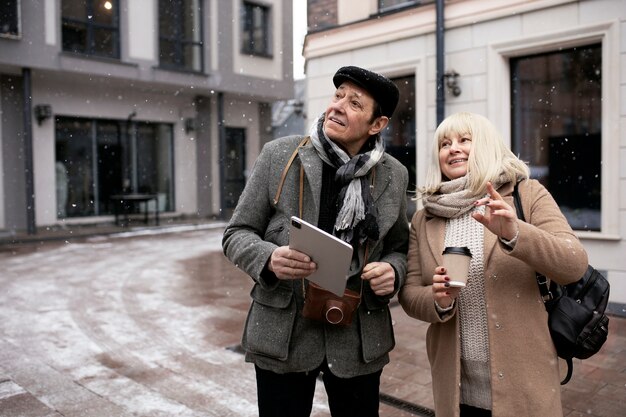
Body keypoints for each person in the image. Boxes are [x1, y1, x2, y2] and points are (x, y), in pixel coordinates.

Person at [222, 66, 409, 417]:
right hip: (285, 332)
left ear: (377, 124)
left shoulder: (394, 175)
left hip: (357, 337)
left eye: (354, 103)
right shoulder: (279, 155)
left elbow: (400, 246)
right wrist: (269, 258)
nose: (337, 106)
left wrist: (394, 272)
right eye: (337, 96)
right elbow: (236, 233)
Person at [398, 112, 589, 417]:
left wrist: (516, 233)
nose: (453, 148)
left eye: (464, 140)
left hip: (524, 382)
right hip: (456, 388)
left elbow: (574, 263)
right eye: (445, 143)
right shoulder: (425, 216)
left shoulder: (526, 194)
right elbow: (409, 293)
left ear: (486, 145)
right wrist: (437, 300)